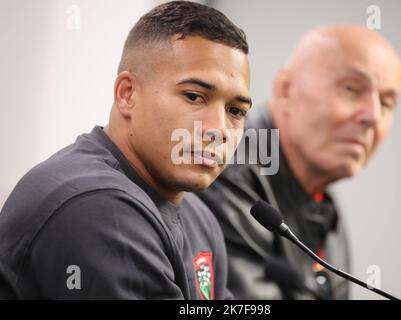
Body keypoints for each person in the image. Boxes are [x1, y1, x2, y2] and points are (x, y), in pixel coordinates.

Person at [0, 1, 251, 299]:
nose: (220, 129)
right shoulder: (96, 207)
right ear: (127, 94)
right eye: (194, 97)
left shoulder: (198, 217)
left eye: (235, 111)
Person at [198, 25, 401, 299]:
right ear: (286, 90)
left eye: (387, 103)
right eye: (352, 89)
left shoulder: (321, 199)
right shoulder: (225, 170)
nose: (373, 116)